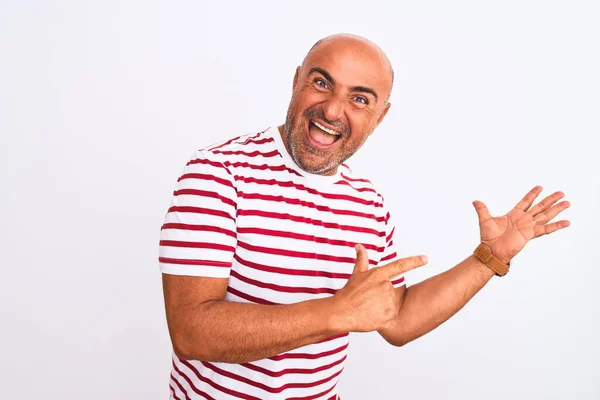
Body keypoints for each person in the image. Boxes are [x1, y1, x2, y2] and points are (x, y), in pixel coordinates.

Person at [158, 33, 570, 400]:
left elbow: (396, 319)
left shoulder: (368, 203)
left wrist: (487, 258)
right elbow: (193, 331)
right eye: (321, 83)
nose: (333, 110)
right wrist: (336, 311)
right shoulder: (218, 173)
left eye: (359, 98)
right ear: (296, 80)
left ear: (380, 116)